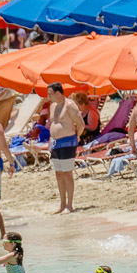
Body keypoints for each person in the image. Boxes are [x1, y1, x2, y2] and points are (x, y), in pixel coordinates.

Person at [47, 82, 86, 214]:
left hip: (68, 141)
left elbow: (81, 124)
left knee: (67, 173)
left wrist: (77, 136)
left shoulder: (69, 105)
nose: (48, 96)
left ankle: (69, 205)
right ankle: (62, 204)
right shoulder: (52, 106)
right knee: (58, 173)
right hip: (55, 143)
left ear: (58, 93)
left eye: (50, 93)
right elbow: (52, 124)